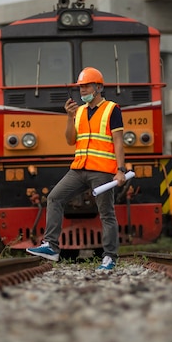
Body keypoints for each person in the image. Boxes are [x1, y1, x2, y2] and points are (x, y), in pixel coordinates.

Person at [26, 67, 127, 270]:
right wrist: (69, 117)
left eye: (86, 86)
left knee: (106, 212)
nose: (82, 90)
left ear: (99, 87)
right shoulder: (79, 112)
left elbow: (118, 141)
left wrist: (121, 169)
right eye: (80, 87)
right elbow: (70, 140)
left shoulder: (112, 109)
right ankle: (52, 246)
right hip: (79, 168)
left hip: (102, 170)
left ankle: (109, 257)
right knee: (55, 197)